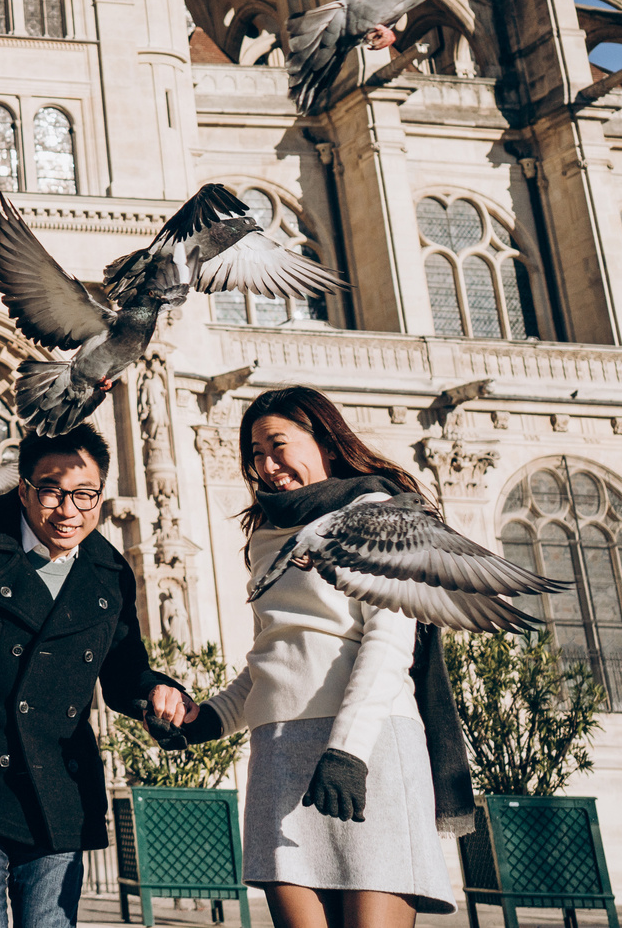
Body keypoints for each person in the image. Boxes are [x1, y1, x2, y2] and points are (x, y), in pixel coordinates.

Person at [162, 387, 469, 926]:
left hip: (367, 746)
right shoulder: (265, 534)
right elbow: (274, 655)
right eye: (255, 453)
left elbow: (388, 643)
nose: (267, 465)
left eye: (278, 445)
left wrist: (347, 753)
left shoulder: (378, 514)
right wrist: (205, 720)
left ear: (325, 439)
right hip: (278, 752)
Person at [0, 423, 188, 928]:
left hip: (59, 788)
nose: (68, 510)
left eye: (84, 494)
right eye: (52, 491)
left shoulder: (110, 571)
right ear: (24, 489)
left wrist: (157, 694)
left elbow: (123, 675)